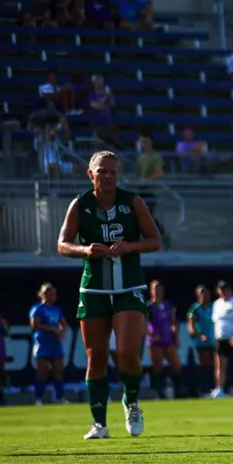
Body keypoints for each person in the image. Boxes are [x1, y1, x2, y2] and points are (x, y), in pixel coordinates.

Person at [56, 151, 162, 439]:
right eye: (102, 171)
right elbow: (63, 244)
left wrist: (130, 247)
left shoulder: (133, 202)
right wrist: (85, 249)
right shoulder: (80, 204)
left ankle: (132, 401)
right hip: (93, 288)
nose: (108, 176)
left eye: (113, 171)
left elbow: (155, 241)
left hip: (129, 285)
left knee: (128, 353)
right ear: (91, 174)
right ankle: (99, 424)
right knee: (96, 356)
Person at [29, 283, 69, 405]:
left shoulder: (57, 309)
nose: (54, 296)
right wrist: (52, 329)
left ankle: (60, 397)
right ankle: (38, 399)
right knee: (42, 372)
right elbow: (35, 325)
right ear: (44, 294)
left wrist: (62, 331)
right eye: (51, 293)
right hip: (42, 344)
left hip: (55, 344)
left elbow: (64, 323)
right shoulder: (38, 309)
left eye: (55, 293)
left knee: (59, 370)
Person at [145, 280, 182, 399]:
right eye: (155, 289)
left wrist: (175, 334)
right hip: (155, 342)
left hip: (168, 340)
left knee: (176, 365)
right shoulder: (148, 306)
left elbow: (174, 321)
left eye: (160, 289)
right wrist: (150, 334)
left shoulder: (168, 305)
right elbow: (143, 323)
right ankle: (160, 394)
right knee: (158, 367)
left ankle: (178, 392)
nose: (158, 292)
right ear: (151, 291)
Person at [186, 284, 216, 397]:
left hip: (214, 341)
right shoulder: (195, 309)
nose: (205, 296)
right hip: (201, 343)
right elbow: (191, 326)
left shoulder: (213, 307)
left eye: (206, 293)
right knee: (205, 366)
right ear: (198, 295)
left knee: (216, 365)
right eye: (202, 293)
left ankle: (217, 388)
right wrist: (200, 336)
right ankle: (204, 389)